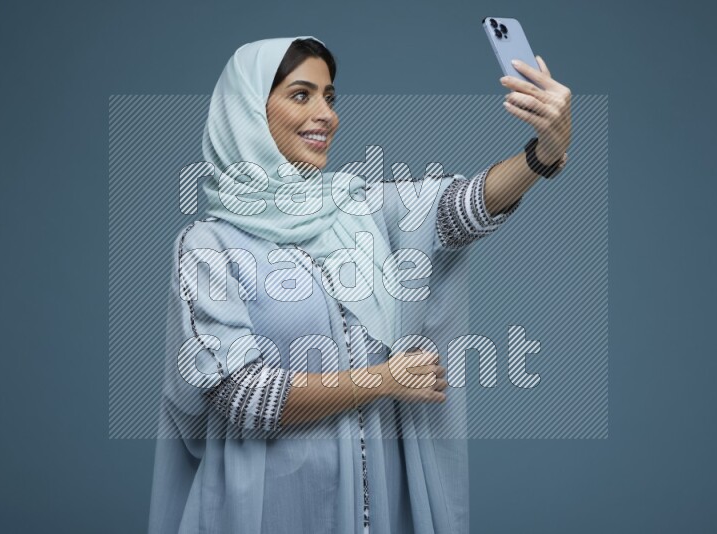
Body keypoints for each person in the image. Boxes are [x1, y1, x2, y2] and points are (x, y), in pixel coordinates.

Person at [148, 36, 571, 534]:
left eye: (330, 97)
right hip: (266, 510)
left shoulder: (356, 210)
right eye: (301, 95)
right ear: (247, 110)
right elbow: (241, 393)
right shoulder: (208, 246)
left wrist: (543, 154)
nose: (326, 115)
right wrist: (383, 380)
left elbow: (462, 209)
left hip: (373, 509)